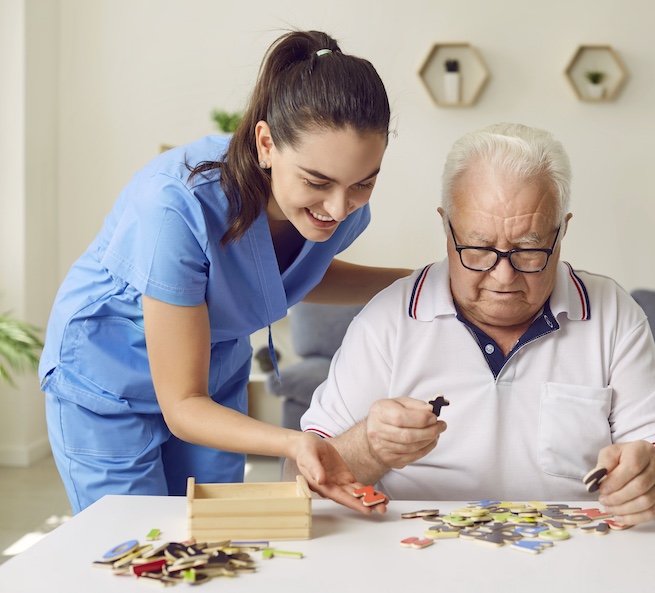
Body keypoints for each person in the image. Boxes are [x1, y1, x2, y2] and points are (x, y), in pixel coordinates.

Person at [39, 30, 408, 515]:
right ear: (266, 143)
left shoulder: (337, 209)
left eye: (364, 182)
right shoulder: (177, 206)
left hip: (212, 376)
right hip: (108, 379)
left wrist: (424, 280)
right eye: (317, 182)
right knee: (139, 543)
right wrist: (295, 444)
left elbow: (293, 274)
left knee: (217, 532)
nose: (339, 208)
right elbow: (183, 403)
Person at [291, 122, 655, 526]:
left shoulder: (612, 313)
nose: (503, 277)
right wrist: (369, 447)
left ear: (562, 231)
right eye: (478, 247)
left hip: (575, 560)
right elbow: (294, 480)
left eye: (529, 249)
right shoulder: (387, 319)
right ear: (445, 226)